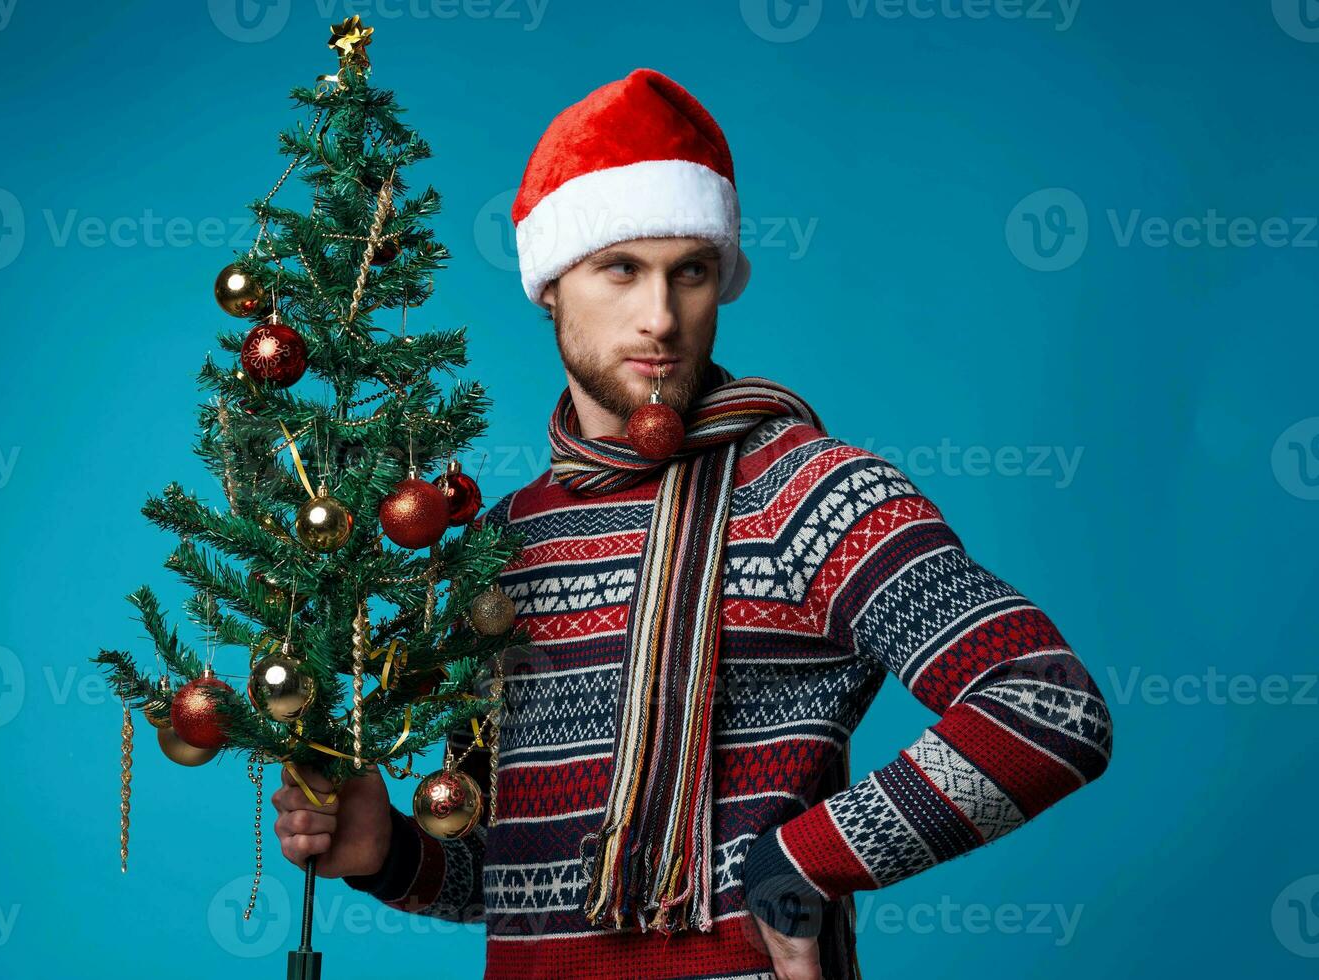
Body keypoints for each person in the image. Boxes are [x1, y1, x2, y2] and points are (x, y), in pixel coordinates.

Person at [273, 67, 1114, 980]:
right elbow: (515, 882)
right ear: (552, 284)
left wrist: (805, 864)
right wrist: (390, 852)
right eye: (621, 269)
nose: (661, 317)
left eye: (693, 273)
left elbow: (1047, 707)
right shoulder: (503, 544)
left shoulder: (808, 494)